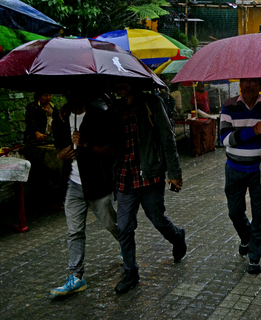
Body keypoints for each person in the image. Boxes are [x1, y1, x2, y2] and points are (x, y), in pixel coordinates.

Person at [110, 83, 186, 294]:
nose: (120, 88)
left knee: (157, 218)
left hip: (149, 173)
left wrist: (174, 173)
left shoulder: (152, 103)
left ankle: (177, 236)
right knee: (124, 226)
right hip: (125, 175)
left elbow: (167, 137)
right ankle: (130, 272)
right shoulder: (115, 108)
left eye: (122, 84)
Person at [50, 92, 119, 297]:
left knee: (111, 224)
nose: (71, 97)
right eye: (68, 93)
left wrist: (87, 144)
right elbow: (58, 148)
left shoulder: (100, 116)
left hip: (98, 183)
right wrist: (61, 155)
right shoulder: (61, 118)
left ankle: (126, 246)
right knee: (74, 231)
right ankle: (76, 276)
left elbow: (111, 151)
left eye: (75, 92)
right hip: (73, 184)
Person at [220, 78, 261, 274]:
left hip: (260, 172)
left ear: (260, 84)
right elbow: (225, 139)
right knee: (234, 213)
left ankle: (254, 257)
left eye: (253, 82)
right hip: (234, 170)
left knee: (260, 215)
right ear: (240, 84)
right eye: (245, 81)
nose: (248, 86)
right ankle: (246, 238)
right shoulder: (229, 105)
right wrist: (252, 131)